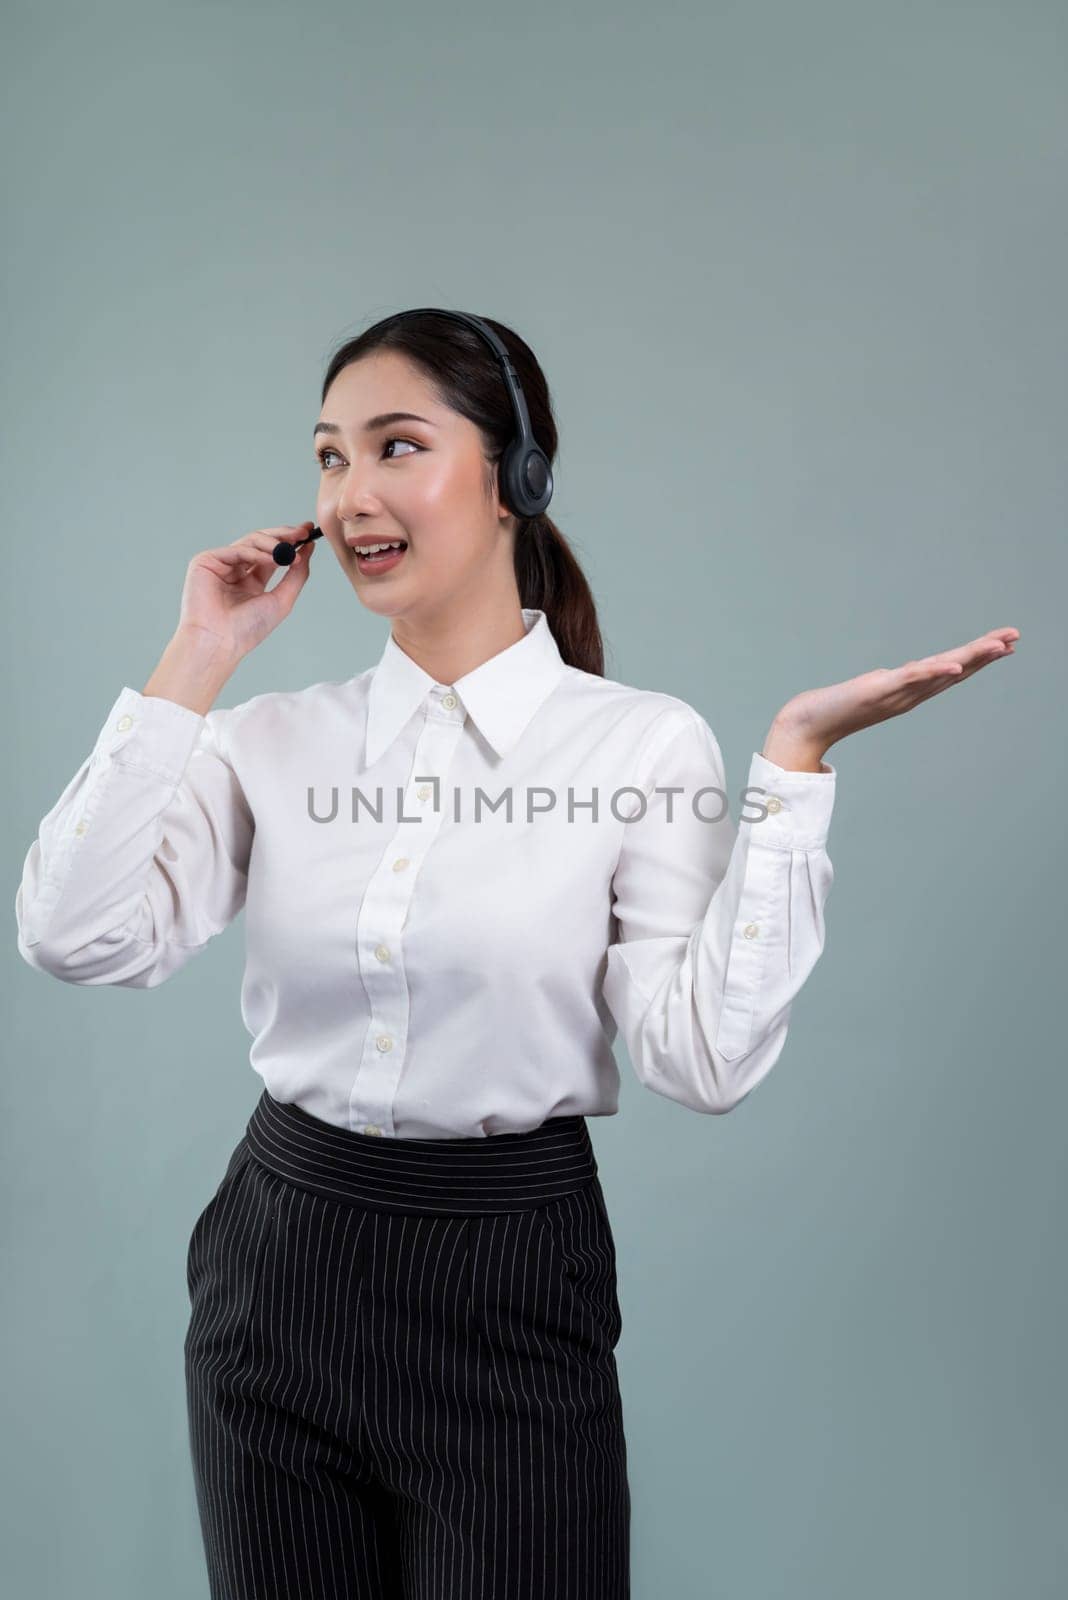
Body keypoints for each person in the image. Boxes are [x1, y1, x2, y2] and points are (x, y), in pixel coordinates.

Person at [14, 307, 1019, 1600]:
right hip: (275, 1277)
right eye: (329, 457)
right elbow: (70, 931)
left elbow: (702, 1057)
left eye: (396, 446)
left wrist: (791, 770)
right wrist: (197, 656)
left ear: (515, 479)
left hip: (507, 1283)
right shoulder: (271, 741)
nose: (352, 494)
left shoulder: (638, 748)